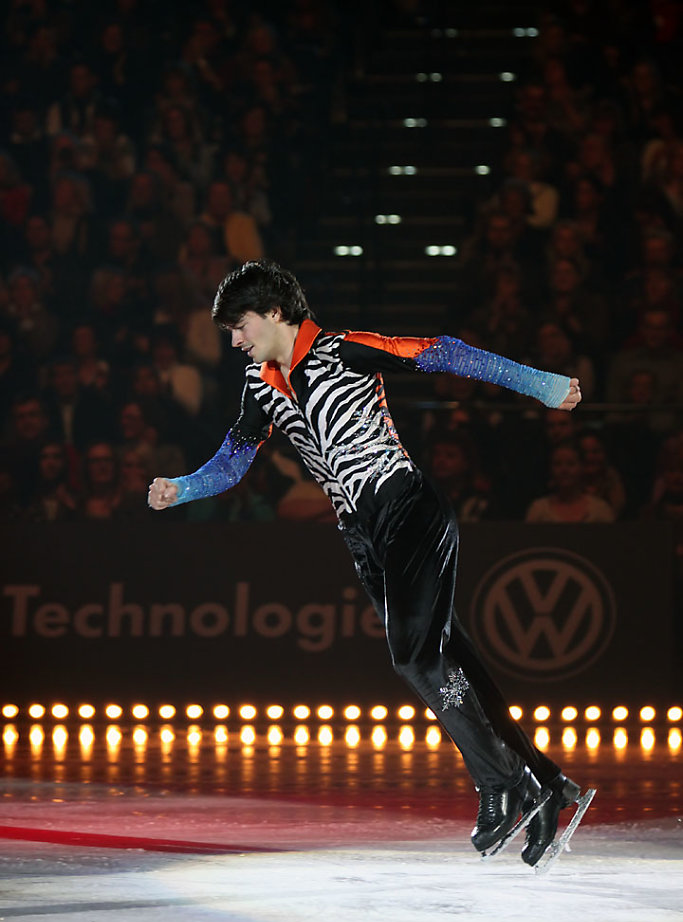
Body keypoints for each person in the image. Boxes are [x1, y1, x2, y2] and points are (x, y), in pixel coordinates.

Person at [148, 259, 588, 869]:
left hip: (406, 508)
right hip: (363, 536)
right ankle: (546, 786)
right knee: (446, 660)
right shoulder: (259, 384)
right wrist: (183, 487)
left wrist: (539, 384)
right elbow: (232, 461)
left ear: (275, 313)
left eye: (240, 325)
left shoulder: (345, 350)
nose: (235, 340)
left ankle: (504, 785)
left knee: (415, 656)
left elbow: (443, 353)